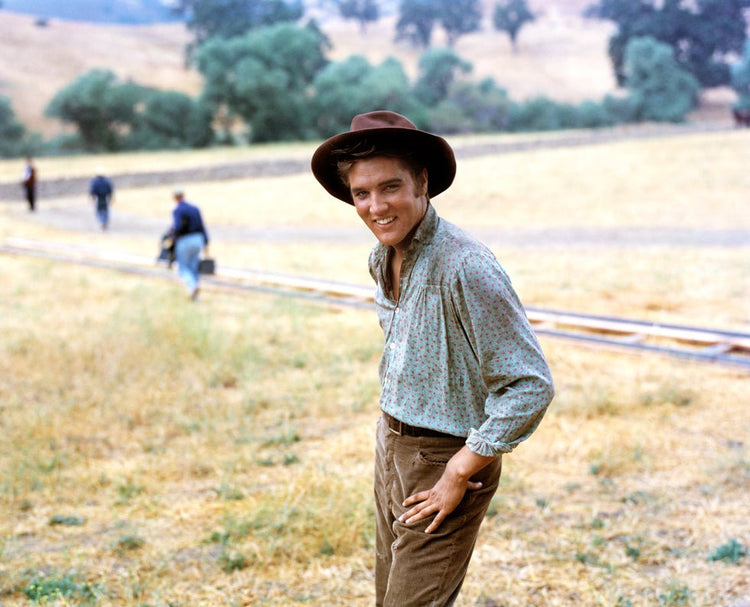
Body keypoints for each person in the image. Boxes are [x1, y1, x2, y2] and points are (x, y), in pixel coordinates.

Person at [311, 111, 555, 606]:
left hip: (445, 459)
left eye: (390, 187)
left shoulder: (465, 266)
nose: (375, 206)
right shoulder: (384, 257)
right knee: (389, 595)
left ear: (423, 182)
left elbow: (530, 385)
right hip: (394, 444)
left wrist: (459, 472)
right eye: (362, 194)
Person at [169, 186, 209, 301]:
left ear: (174, 198)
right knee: (193, 267)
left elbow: (178, 227)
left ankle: (192, 287)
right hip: (198, 239)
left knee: (183, 268)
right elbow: (202, 226)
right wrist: (206, 242)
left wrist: (172, 237)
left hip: (185, 240)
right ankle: (196, 298)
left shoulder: (178, 210)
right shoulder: (195, 208)